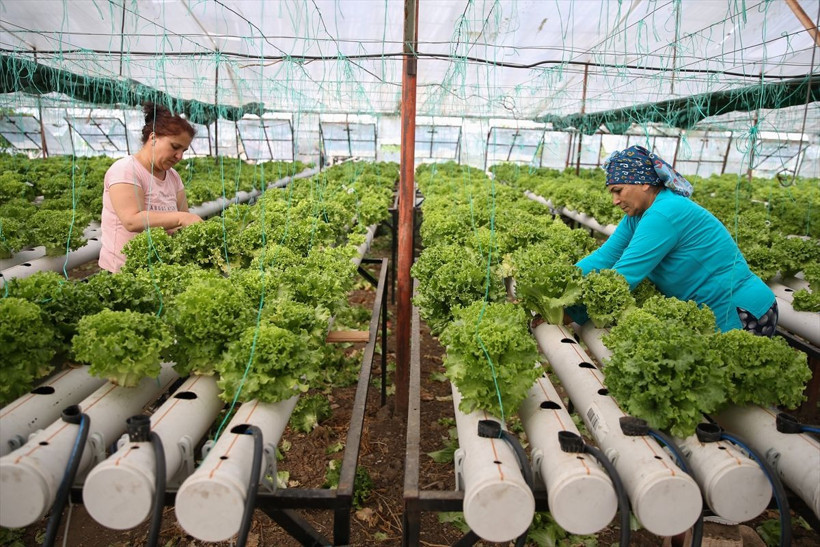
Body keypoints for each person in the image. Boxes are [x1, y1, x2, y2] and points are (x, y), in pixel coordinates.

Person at [570, 145, 777, 336]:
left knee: (724, 374)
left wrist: (569, 310)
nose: (615, 201)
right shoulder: (638, 215)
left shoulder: (664, 212)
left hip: (738, 310)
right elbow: (605, 256)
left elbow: (625, 275)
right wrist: (565, 287)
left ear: (643, 183)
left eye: (618, 190)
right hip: (711, 311)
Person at [99, 103, 203, 272]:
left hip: (160, 268)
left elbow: (183, 220)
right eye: (175, 147)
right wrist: (181, 219)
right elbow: (131, 220)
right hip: (123, 271)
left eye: (184, 150)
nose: (179, 156)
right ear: (153, 138)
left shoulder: (174, 177)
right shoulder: (126, 170)